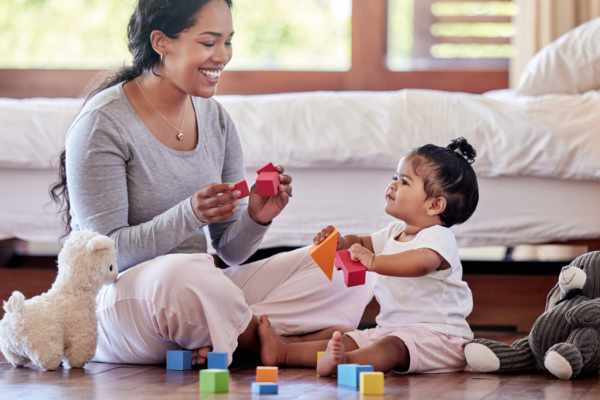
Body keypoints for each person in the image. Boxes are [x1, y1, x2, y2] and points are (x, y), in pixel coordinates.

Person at [50, 0, 373, 366]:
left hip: (197, 292)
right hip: (122, 305)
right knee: (185, 275)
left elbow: (231, 253)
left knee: (345, 262)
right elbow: (104, 257)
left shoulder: (216, 119)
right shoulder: (102, 124)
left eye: (228, 42)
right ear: (161, 42)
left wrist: (256, 216)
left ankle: (232, 337)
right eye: (208, 43)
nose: (222, 56)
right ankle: (272, 343)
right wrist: (189, 215)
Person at [257, 137, 479, 375]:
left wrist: (374, 262)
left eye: (404, 182)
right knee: (349, 339)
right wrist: (340, 243)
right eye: (395, 178)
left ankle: (346, 364)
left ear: (434, 205)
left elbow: (421, 263)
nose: (392, 185)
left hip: (438, 337)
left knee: (391, 348)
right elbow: (364, 243)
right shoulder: (395, 232)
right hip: (392, 328)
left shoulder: (438, 236)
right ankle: (283, 352)